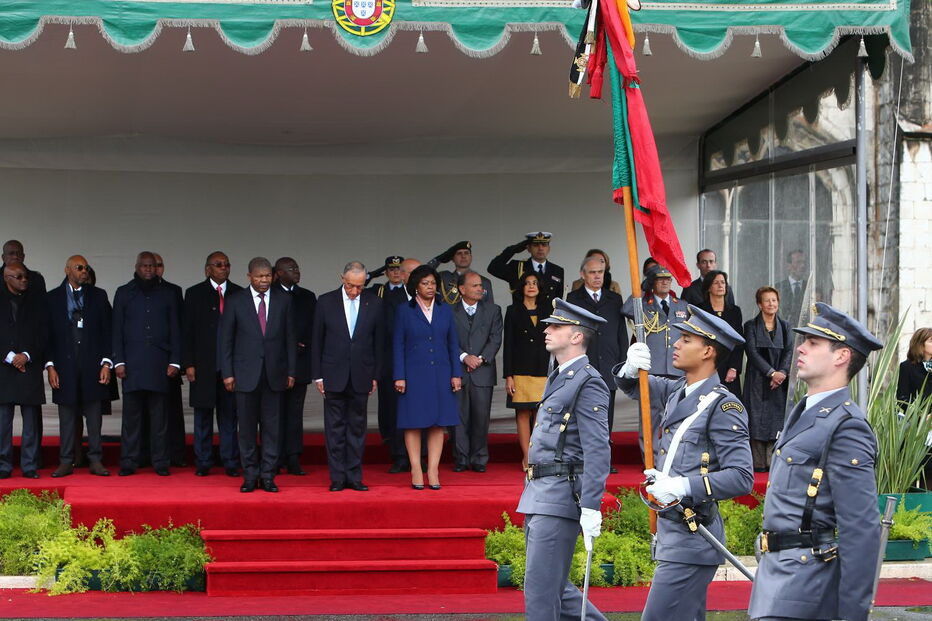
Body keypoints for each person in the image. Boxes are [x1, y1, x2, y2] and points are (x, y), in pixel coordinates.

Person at [615, 305, 753, 621]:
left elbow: (741, 477)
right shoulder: (679, 389)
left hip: (693, 536)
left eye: (686, 339)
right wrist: (630, 367)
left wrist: (681, 485)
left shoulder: (723, 406)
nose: (676, 344)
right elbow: (635, 386)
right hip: (674, 534)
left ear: (707, 351)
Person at [748, 302, 884, 621]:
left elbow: (860, 529)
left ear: (841, 356)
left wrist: (851, 614)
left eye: (813, 342)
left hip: (805, 584)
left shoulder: (846, 426)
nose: (801, 348)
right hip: (776, 579)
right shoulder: (805, 412)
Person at [517, 298, 610, 621]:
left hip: (559, 494)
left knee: (541, 594)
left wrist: (592, 504)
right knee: (554, 589)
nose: (548, 330)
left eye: (556, 326)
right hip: (540, 493)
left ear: (576, 336)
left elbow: (598, 449)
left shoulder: (588, 381)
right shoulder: (560, 375)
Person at [220, 257, 297, 493]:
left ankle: (268, 475)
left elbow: (290, 338)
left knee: (272, 429)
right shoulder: (235, 301)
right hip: (245, 375)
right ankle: (250, 475)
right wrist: (227, 373)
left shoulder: (284, 300)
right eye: (259, 276)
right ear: (249, 277)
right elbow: (226, 340)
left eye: (267, 276)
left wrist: (291, 371)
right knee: (246, 429)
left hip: (275, 374)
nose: (264, 280)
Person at [311, 261, 384, 492]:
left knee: (357, 428)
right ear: (342, 279)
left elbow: (379, 342)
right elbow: (317, 340)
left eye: (360, 287)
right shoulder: (325, 301)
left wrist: (375, 374)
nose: (354, 291)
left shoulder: (374, 302)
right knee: (335, 429)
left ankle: (354, 476)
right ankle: (337, 477)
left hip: (362, 374)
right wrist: (318, 376)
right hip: (333, 373)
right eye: (351, 285)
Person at [112, 252, 182, 476]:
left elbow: (176, 329)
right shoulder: (124, 292)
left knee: (160, 417)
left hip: (160, 363)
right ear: (136, 267)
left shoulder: (168, 294)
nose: (149, 269)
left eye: (152, 265)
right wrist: (118, 361)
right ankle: (129, 461)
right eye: (144, 265)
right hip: (131, 364)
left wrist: (175, 361)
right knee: (131, 418)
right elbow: (116, 329)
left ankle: (161, 462)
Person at [393, 264, 462, 490]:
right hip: (413, 374)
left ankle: (433, 469)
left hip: (441, 373)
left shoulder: (445, 310)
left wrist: (456, 374)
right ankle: (415, 468)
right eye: (425, 283)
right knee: (413, 422)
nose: (430, 287)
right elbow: (398, 344)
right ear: (416, 286)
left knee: (437, 423)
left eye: (433, 283)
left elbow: (453, 344)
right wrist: (399, 376)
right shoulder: (404, 310)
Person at [45, 255, 112, 477]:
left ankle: (95, 460)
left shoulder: (98, 295)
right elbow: (47, 335)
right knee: (66, 418)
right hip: (64, 366)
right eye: (79, 267)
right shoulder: (52, 298)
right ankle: (66, 460)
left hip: (93, 365)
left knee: (94, 418)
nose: (84, 271)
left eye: (86, 268)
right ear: (67, 270)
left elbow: (108, 331)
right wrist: (50, 366)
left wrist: (106, 363)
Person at [183, 251, 242, 477]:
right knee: (203, 417)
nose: (223, 268)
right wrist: (189, 363)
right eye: (218, 264)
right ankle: (203, 461)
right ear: (208, 269)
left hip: (230, 367)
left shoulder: (238, 293)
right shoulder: (194, 293)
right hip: (203, 365)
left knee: (229, 417)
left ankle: (230, 461)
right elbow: (187, 331)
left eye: (226, 264)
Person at [566, 255, 628, 473]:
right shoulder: (573, 298)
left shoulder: (614, 299)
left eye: (600, 272)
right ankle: (581, 459)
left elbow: (621, 333)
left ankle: (604, 460)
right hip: (583, 364)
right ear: (582, 274)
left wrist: (622, 362)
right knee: (581, 414)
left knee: (605, 416)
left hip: (608, 364)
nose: (597, 276)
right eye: (592, 272)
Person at [0, 262, 48, 479]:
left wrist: (26, 355)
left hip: (29, 366)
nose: (24, 280)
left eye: (25, 276)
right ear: (6, 278)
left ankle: (30, 465)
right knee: (3, 422)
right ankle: (3, 465)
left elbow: (44, 333)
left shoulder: (36, 301)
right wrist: (10, 356)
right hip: (4, 368)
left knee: (31, 421)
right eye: (18, 277)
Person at [451, 270, 502, 472]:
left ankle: (479, 458)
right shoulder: (448, 310)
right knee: (458, 417)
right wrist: (464, 356)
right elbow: (446, 340)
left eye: (481, 285)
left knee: (481, 418)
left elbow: (495, 338)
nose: (480, 289)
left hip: (483, 371)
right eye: (475, 285)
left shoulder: (493, 310)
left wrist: (480, 359)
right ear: (462, 289)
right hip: (458, 371)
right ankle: (461, 458)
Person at [503, 271, 551, 471]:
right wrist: (508, 375)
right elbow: (508, 345)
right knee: (523, 413)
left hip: (543, 368)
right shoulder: (512, 311)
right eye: (527, 283)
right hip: (520, 369)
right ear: (521, 287)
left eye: (535, 283)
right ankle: (527, 457)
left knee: (540, 414)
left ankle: (538, 455)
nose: (531, 286)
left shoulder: (549, 310)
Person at [274, 257, 317, 476]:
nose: (297, 271)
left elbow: (315, 327)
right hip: (274, 364)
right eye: (291, 268)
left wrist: (303, 344)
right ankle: (273, 457)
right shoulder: (269, 294)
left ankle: (293, 457)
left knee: (294, 413)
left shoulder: (307, 297)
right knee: (273, 413)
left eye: (297, 268)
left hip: (299, 363)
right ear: (279, 273)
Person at [742, 286, 792, 473]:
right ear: (759, 304)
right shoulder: (750, 326)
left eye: (774, 300)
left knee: (775, 420)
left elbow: (789, 351)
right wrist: (771, 373)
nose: (771, 304)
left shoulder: (785, 327)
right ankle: (758, 464)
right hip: (757, 379)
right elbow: (752, 352)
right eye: (767, 300)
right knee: (756, 420)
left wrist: (782, 373)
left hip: (779, 382)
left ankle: (773, 463)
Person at [369, 256, 411, 473]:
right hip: (387, 358)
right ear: (385, 272)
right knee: (391, 407)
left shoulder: (411, 292)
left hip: (411, 356)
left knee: (413, 407)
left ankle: (416, 455)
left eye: (399, 269)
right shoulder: (378, 291)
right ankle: (396, 451)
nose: (396, 273)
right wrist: (373, 274)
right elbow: (357, 285)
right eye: (391, 269)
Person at [154, 253, 187, 468]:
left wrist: (178, 360)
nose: (156, 268)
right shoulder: (131, 291)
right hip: (146, 362)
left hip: (169, 362)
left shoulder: (174, 290)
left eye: (159, 265)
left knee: (172, 412)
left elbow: (180, 327)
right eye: (152, 265)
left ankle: (176, 454)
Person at [699, 270, 743, 395]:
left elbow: (739, 341)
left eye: (723, 282)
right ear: (708, 287)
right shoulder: (700, 310)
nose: (720, 286)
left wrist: (734, 367)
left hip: (729, 365)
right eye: (716, 283)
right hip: (706, 364)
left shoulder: (734, 311)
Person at [488, 232, 564, 301]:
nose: (540, 248)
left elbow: (559, 299)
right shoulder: (517, 267)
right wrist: (513, 250)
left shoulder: (557, 270)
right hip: (522, 312)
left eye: (544, 245)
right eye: (535, 245)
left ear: (549, 248)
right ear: (528, 248)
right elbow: (493, 268)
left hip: (548, 312)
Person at [428, 241, 495, 305]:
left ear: (471, 257)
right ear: (452, 259)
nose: (463, 256)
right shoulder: (444, 278)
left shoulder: (484, 282)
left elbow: (490, 309)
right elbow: (424, 272)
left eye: (466, 253)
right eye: (459, 253)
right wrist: (440, 259)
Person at [896, 327, 932, 403]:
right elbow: (902, 398)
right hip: (917, 410)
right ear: (920, 344)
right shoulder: (907, 367)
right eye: (931, 341)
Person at [775, 249, 808, 325]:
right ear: (788, 266)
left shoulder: (810, 288)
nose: (803, 266)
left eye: (804, 262)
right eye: (798, 262)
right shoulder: (778, 288)